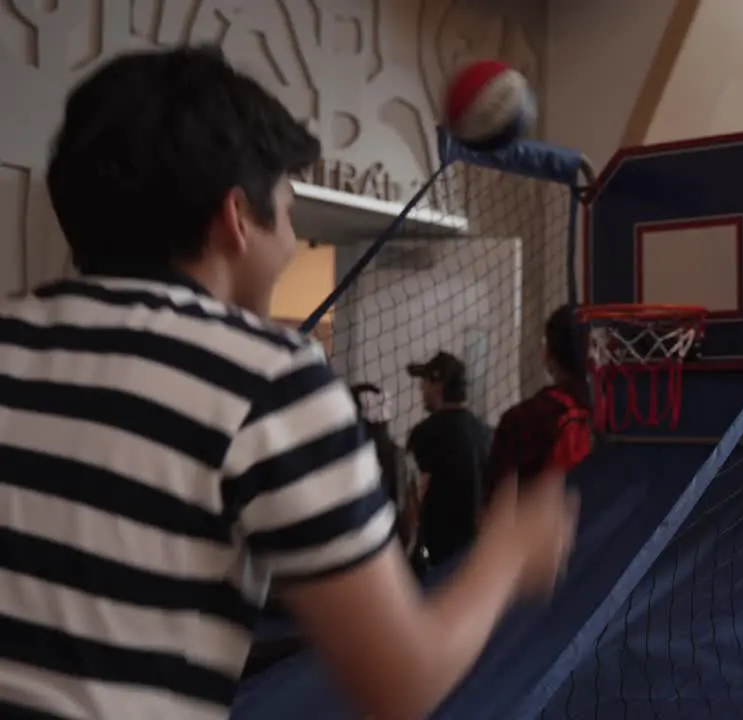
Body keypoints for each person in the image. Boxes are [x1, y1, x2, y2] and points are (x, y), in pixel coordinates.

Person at [0, 46, 577, 720]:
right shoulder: (267, 377)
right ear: (236, 218)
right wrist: (506, 557)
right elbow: (400, 682)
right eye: (289, 209)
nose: (293, 240)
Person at [487, 305, 594, 490]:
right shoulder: (616, 420)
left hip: (539, 516)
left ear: (547, 354)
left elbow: (495, 504)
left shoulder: (521, 420)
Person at [406, 352, 492, 570]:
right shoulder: (486, 433)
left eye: (424, 381)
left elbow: (416, 495)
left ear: (438, 385)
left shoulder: (426, 434)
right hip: (479, 555)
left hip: (439, 558)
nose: (420, 390)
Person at [351, 383, 415, 550]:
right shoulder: (400, 456)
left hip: (360, 550)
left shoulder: (352, 460)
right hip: (396, 547)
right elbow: (410, 511)